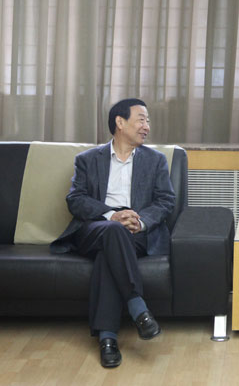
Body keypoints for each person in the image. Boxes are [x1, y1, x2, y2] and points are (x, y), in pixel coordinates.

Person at [51, 98, 176, 368]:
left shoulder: (155, 161)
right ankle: (137, 307)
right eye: (141, 119)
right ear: (120, 122)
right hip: (97, 226)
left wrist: (140, 222)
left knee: (108, 253)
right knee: (112, 231)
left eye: (148, 121)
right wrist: (111, 215)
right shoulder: (87, 159)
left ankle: (107, 338)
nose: (147, 126)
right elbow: (76, 199)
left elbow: (165, 201)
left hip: (135, 230)